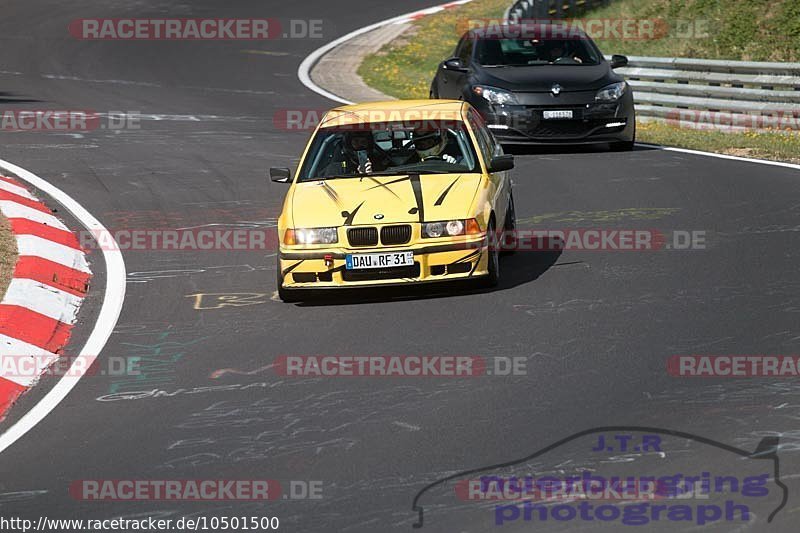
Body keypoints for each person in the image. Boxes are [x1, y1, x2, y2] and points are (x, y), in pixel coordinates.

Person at [321, 130, 391, 177]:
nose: (360, 145)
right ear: (348, 144)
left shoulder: (380, 167)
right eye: (356, 142)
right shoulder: (336, 169)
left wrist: (372, 175)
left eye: (363, 142)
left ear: (369, 144)